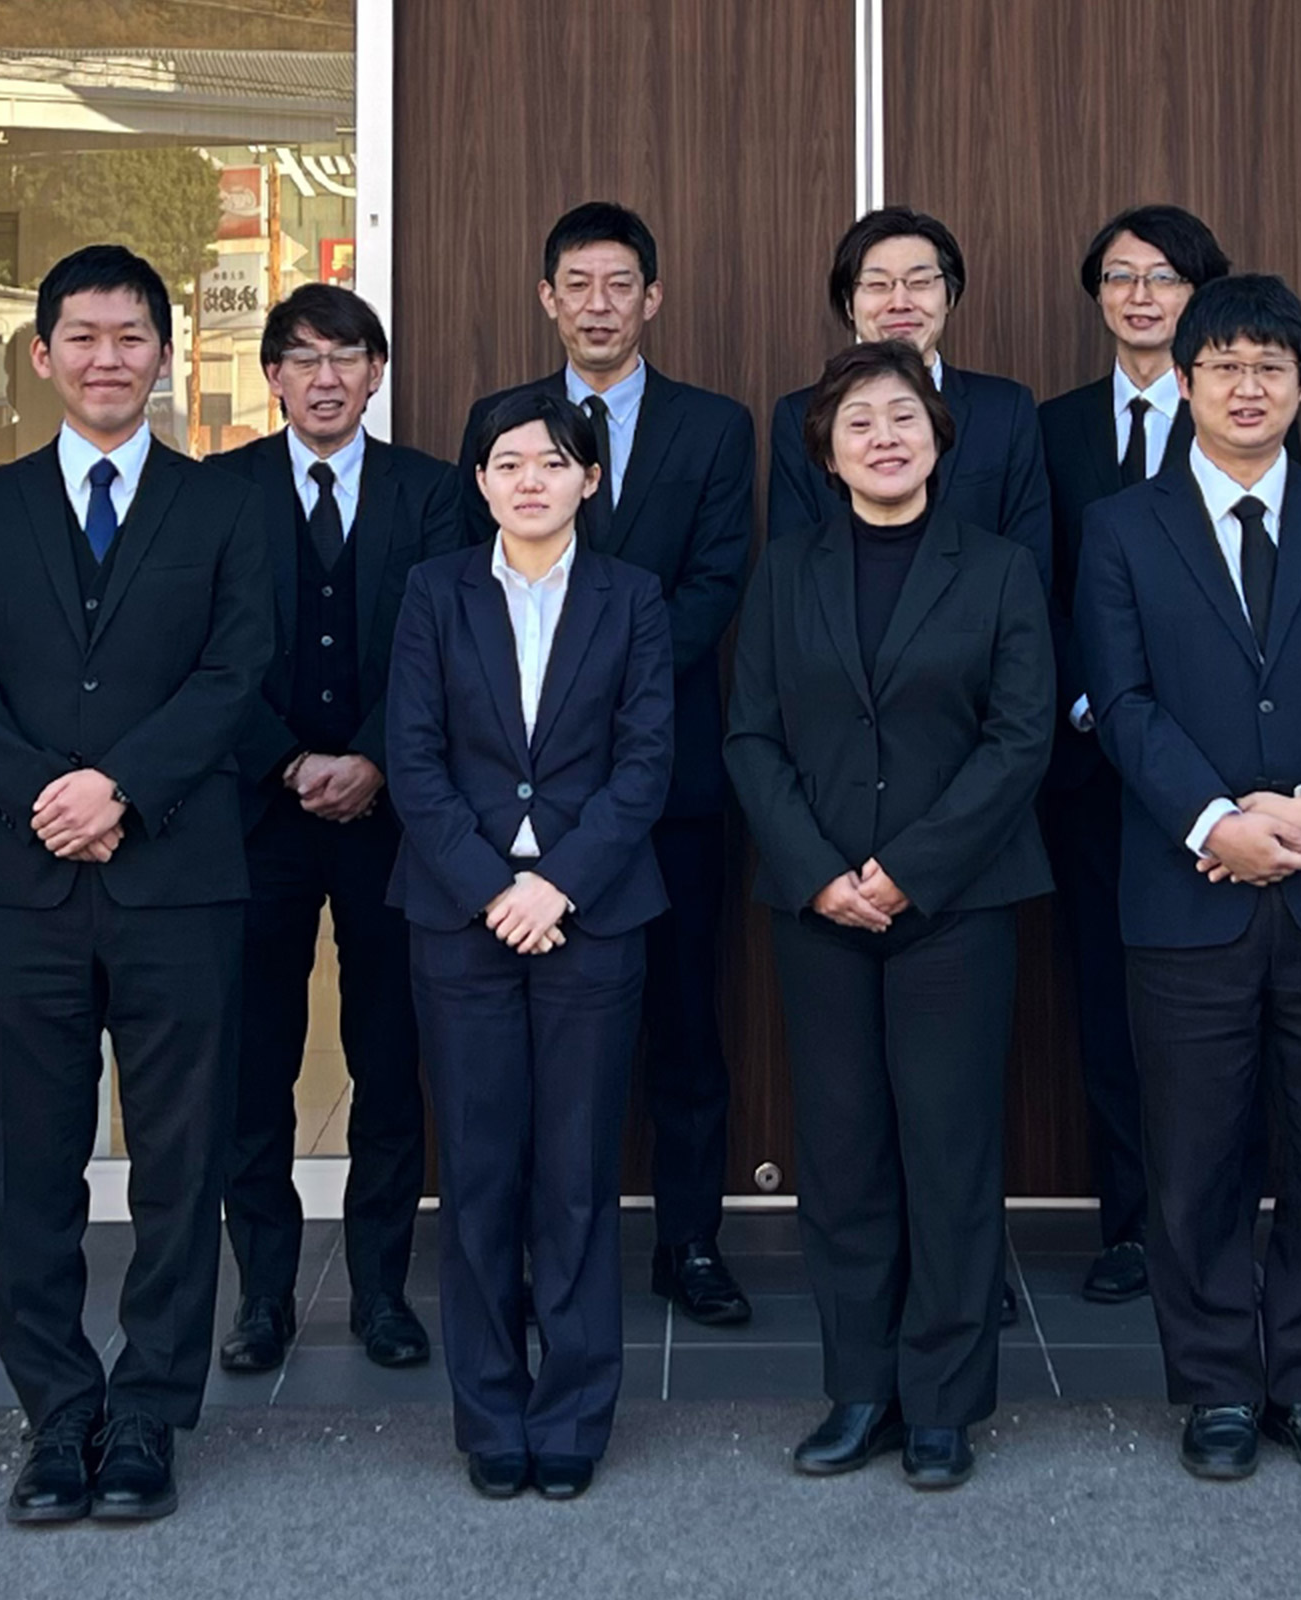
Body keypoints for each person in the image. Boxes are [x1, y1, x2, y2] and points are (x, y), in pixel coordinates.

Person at [0, 245, 269, 1527]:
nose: (107, 356)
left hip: (177, 876)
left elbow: (237, 673)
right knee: (28, 1164)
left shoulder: (224, 503)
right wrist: (43, 797)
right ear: (42, 354)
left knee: (181, 1159)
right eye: (83, 335)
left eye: (132, 335)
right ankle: (57, 1408)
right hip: (17, 884)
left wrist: (120, 787)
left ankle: (151, 1413)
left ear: (166, 355)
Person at [1075, 273, 1301, 1485]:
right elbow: (1118, 701)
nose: (1247, 386)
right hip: (1188, 894)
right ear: (1183, 382)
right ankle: (1218, 1385)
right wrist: (1216, 818)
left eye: (1271, 366)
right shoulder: (1123, 528)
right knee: (1196, 1155)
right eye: (1222, 364)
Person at [725, 342, 1053, 1491]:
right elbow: (750, 735)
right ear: (825, 448)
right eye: (857, 420)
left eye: (902, 416)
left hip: (957, 906)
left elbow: (1021, 740)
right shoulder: (787, 569)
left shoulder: (1001, 568)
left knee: (950, 1154)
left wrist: (908, 868)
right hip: (818, 910)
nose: (882, 436)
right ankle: (860, 1386)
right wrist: (820, 872)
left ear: (937, 436)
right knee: (846, 1151)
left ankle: (944, 1403)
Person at [458, 202, 758, 1327]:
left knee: (685, 1022)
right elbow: (480, 591)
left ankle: (689, 1241)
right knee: (528, 1047)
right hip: (518, 808)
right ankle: (537, 1255)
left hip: (662, 781)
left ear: (652, 298)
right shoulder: (506, 424)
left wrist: (608, 686)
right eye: (576, 283)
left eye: (619, 283)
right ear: (547, 299)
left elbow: (719, 581)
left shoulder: (713, 427)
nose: (598, 302)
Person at [387, 390, 675, 1503]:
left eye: (553, 462)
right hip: (458, 921)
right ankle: (490, 1410)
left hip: (591, 915)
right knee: (480, 1173)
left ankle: (574, 1412)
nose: (529, 480)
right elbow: (410, 757)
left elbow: (645, 762)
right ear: (480, 481)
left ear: (589, 480)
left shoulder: (632, 597)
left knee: (577, 1175)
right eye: (506, 462)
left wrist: (555, 883)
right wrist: (490, 886)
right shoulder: (433, 592)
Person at [217, 284, 467, 1376]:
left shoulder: (435, 492)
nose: (327, 376)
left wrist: (372, 757)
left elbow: (449, 646)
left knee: (387, 1050)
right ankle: (263, 1294)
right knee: (253, 1058)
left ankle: (379, 1290)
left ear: (377, 374)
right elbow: (201, 656)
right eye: (304, 357)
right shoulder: (215, 493)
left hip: (392, 813)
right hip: (252, 815)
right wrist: (285, 758)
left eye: (349, 357)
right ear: (271, 375)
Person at [1032, 205, 1227, 1305]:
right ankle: (1130, 1221)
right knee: (1109, 1000)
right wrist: (1092, 705)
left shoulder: (1250, 421)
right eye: (1119, 276)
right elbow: (1037, 585)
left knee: (1215, 1002)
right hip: (1091, 761)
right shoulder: (1051, 429)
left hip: (1220, 776)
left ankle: (1209, 1221)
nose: (1141, 295)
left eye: (1163, 277)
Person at [763, 207, 1048, 561]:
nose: (900, 302)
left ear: (951, 296)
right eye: (878, 284)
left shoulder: (1006, 409)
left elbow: (1031, 556)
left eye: (920, 283)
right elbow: (793, 566)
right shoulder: (799, 414)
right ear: (849, 305)